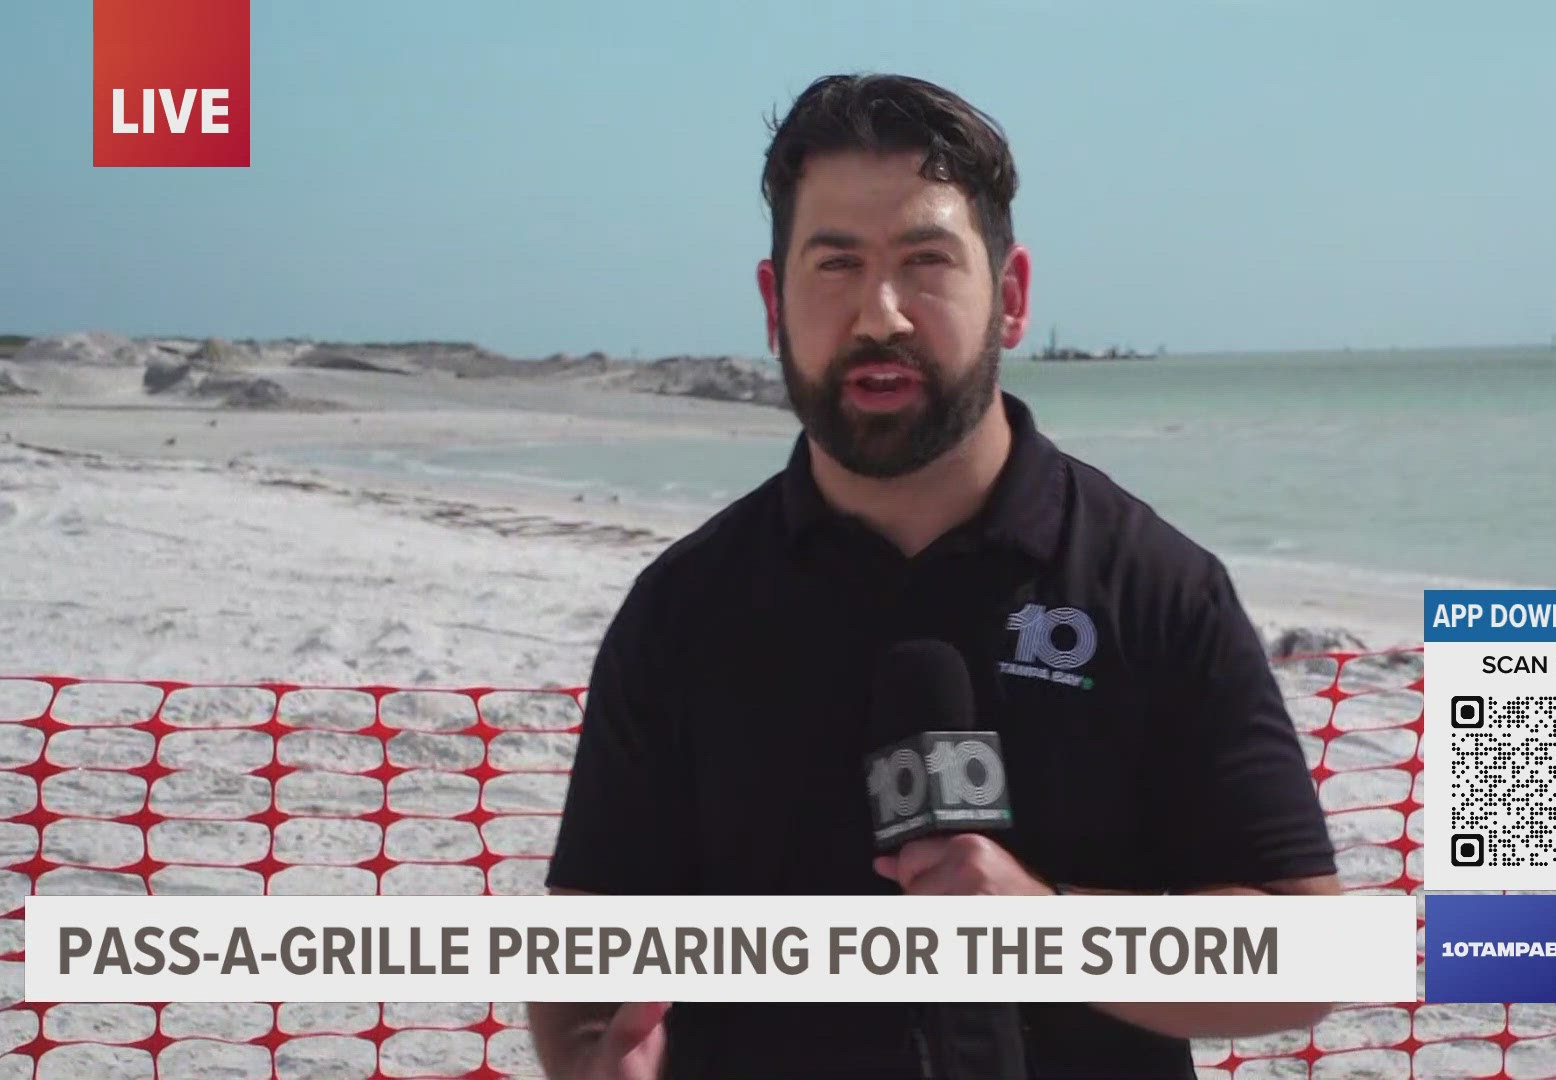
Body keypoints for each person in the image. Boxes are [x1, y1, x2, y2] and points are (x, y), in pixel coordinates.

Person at [528, 72, 1340, 1080]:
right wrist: (595, 1058)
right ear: (773, 302)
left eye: (925, 263)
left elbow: (1307, 957)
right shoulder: (684, 608)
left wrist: (1046, 930)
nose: (881, 314)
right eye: (835, 266)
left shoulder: (1153, 586)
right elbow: (584, 946)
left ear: (1009, 298)